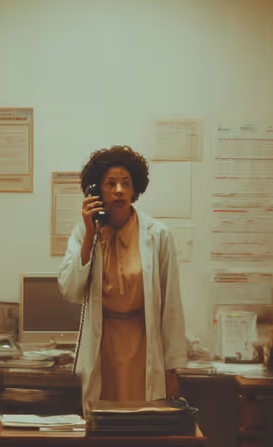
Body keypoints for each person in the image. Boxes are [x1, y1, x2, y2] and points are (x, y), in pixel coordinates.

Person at [59, 145, 188, 406]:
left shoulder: (158, 235)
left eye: (125, 183)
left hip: (143, 347)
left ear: (134, 189)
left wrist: (172, 369)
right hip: (101, 347)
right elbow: (70, 290)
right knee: (101, 427)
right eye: (110, 184)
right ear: (96, 191)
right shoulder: (84, 234)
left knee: (143, 427)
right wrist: (88, 235)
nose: (118, 190)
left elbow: (171, 306)